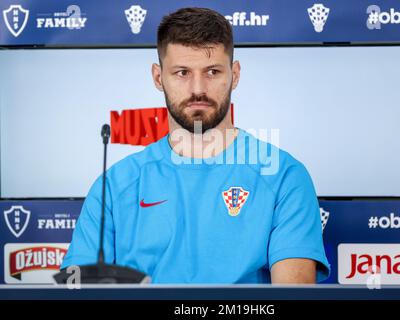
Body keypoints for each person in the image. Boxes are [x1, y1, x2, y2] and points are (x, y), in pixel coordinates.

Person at [61, 7, 330, 284]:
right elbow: (83, 290)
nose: (197, 88)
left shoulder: (285, 176)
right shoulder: (115, 186)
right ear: (158, 77)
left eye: (212, 71)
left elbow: (291, 295)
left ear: (234, 75)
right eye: (182, 72)